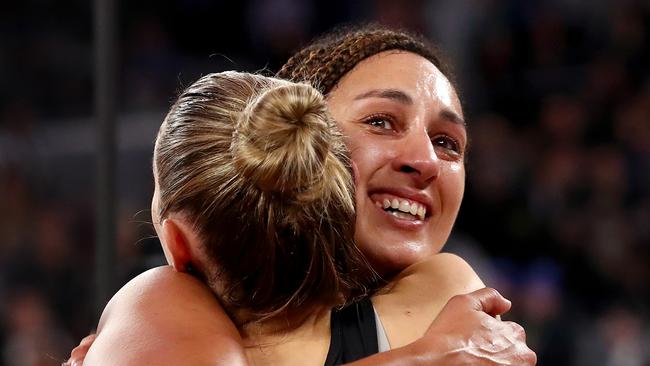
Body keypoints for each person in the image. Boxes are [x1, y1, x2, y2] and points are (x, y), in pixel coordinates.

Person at [69, 24, 536, 365]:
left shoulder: (450, 294)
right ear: (298, 128)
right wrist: (427, 356)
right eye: (380, 121)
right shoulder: (166, 303)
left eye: (447, 144)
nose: (426, 160)